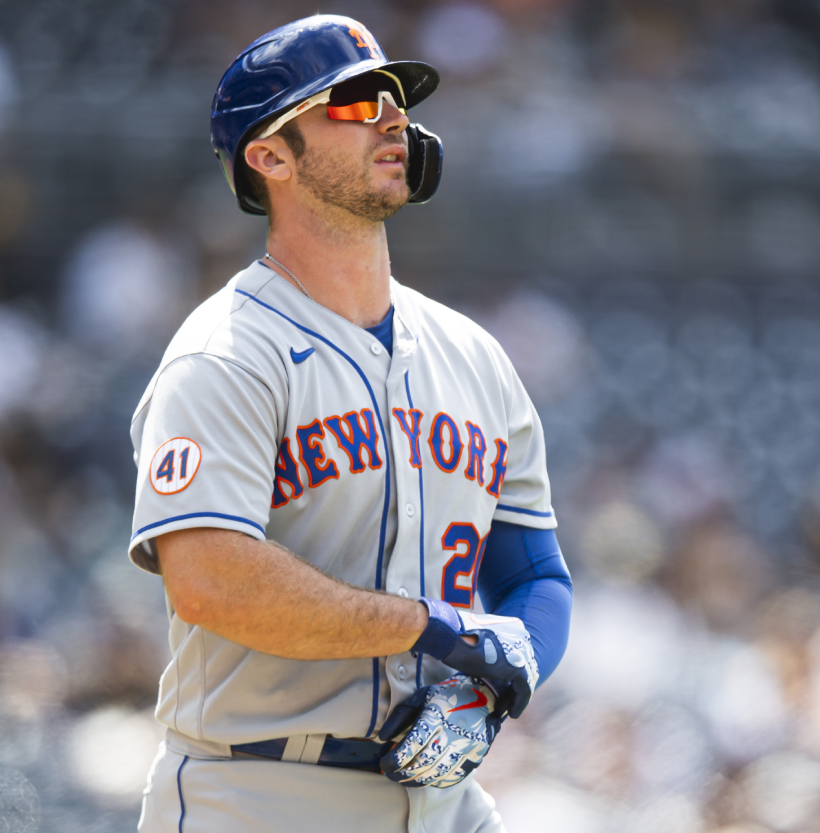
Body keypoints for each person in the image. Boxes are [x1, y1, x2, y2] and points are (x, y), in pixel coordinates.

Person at [127, 15, 573, 833]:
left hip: (444, 797)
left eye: (395, 100)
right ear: (270, 155)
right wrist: (437, 627)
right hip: (262, 791)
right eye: (355, 103)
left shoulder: (473, 355)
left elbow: (536, 577)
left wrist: (494, 685)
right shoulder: (225, 353)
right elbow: (211, 581)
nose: (392, 115)